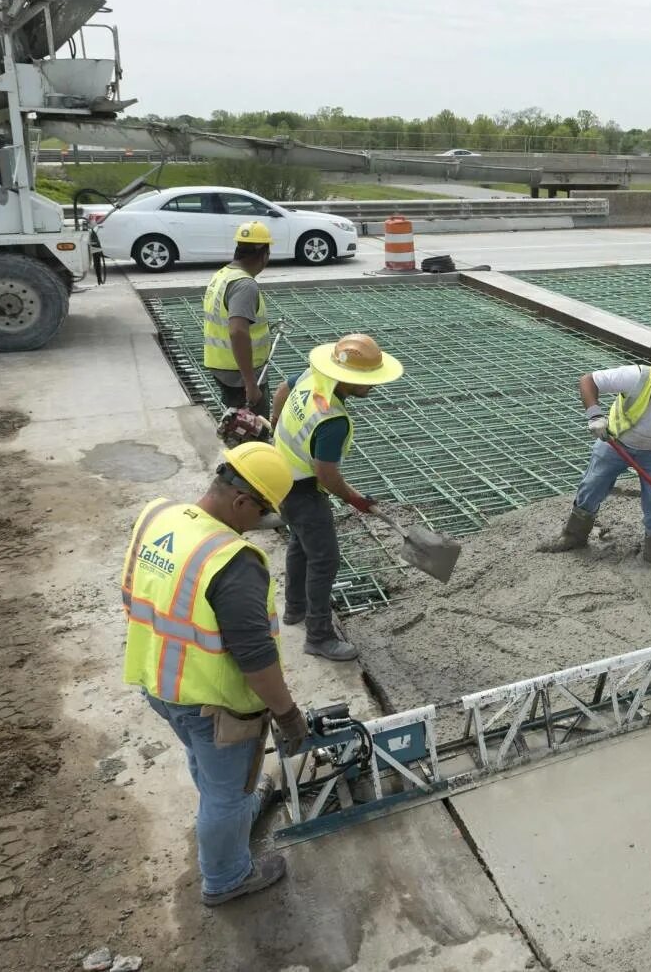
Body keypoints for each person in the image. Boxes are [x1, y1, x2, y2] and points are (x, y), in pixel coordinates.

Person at [120, 442, 309, 905]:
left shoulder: (159, 516)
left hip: (159, 680)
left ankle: (227, 814)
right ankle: (226, 878)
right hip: (216, 704)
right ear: (241, 501)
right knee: (227, 792)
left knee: (205, 763)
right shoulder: (233, 562)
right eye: (261, 513)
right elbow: (255, 658)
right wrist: (287, 714)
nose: (260, 525)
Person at [272, 333, 405, 660]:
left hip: (278, 477)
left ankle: (294, 609)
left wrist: (275, 424)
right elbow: (327, 475)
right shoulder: (333, 421)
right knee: (324, 558)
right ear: (350, 378)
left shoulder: (313, 376)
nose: (373, 386)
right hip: (302, 490)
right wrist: (355, 498)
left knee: (300, 544)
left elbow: (281, 389)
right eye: (368, 379)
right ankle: (318, 637)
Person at [539, 356, 651, 568]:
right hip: (616, 440)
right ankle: (574, 535)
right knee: (592, 484)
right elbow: (588, 381)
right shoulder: (636, 377)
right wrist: (594, 415)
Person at [203, 221, 274, 415]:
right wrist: (251, 384)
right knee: (253, 432)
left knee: (235, 427)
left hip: (222, 366)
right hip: (240, 375)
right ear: (264, 255)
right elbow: (237, 331)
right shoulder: (245, 285)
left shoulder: (222, 275)